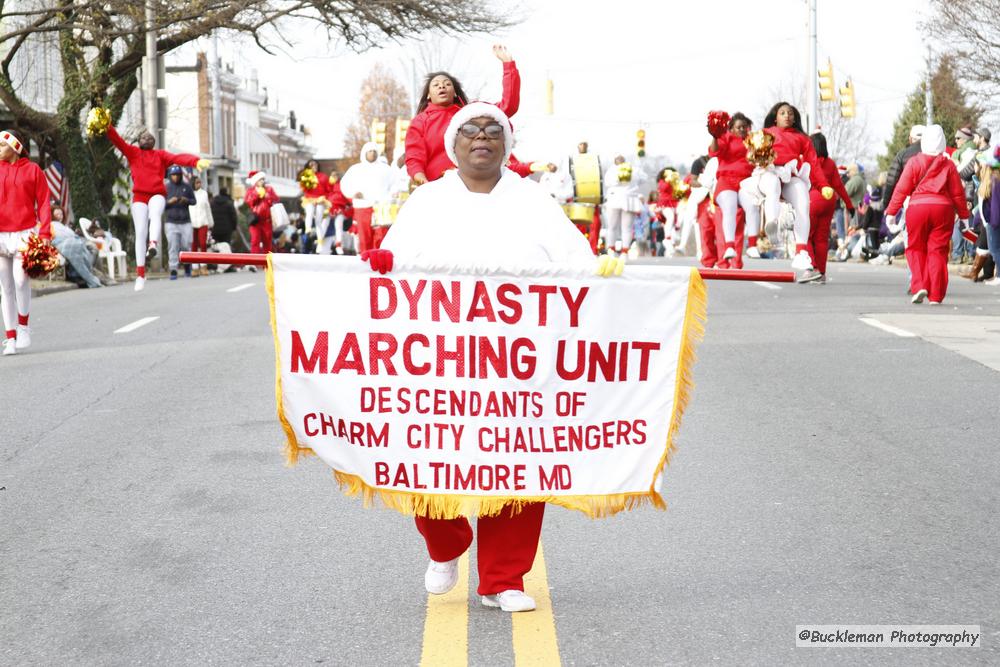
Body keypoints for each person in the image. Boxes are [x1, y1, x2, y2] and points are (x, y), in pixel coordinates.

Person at [371, 102, 607, 614]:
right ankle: (445, 543)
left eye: (492, 130)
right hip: (440, 356)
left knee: (518, 465)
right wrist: (383, 264)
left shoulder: (533, 200)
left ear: (507, 143)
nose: (482, 138)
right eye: (471, 131)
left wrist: (603, 271)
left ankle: (503, 578)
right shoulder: (427, 201)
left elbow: (576, 262)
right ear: (453, 145)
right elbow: (390, 269)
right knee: (423, 458)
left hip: (518, 360)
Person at [105, 123, 208, 291]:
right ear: (138, 141)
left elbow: (178, 158)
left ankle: (153, 244)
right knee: (140, 232)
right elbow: (117, 141)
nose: (147, 138)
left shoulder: (160, 155)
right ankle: (140, 274)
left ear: (154, 142)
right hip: (139, 195)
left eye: (150, 137)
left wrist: (196, 161)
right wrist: (107, 125)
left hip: (157, 194)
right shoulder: (133, 153)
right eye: (143, 137)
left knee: (155, 213)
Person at [740, 102, 832, 282]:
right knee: (773, 183)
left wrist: (823, 185)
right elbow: (747, 154)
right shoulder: (765, 134)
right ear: (776, 117)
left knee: (802, 197)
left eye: (790, 113)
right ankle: (771, 225)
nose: (787, 116)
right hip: (767, 174)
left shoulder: (802, 138)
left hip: (789, 174)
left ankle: (801, 251)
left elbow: (813, 164)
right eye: (783, 113)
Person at [405, 45, 519, 185]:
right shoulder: (420, 122)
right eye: (436, 85)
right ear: (428, 94)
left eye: (447, 84)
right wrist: (420, 177)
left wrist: (508, 65)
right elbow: (414, 155)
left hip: (472, 185)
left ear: (455, 92)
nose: (442, 86)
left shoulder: (469, 114)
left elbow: (508, 106)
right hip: (436, 186)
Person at [885, 124, 970, 305]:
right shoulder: (948, 164)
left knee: (915, 248)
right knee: (938, 251)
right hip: (943, 211)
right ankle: (936, 296)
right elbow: (957, 194)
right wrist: (964, 217)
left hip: (917, 209)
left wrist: (891, 212)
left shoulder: (915, 162)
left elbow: (901, 189)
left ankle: (919, 285)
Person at [0, 130, 51, 355]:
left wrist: (46, 233)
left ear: (16, 147)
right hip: (1, 234)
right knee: (5, 288)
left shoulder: (33, 170)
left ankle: (24, 327)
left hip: (25, 233)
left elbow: (45, 202)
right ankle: (10, 337)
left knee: (21, 281)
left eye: (2, 145)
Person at [806, 133, 855, 283]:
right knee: (821, 239)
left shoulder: (807, 162)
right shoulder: (831, 164)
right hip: (828, 201)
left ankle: (811, 268)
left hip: (812, 200)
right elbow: (839, 186)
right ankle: (821, 273)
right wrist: (849, 205)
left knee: (806, 236)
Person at [708, 111, 754, 266]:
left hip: (745, 182)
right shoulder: (726, 138)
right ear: (732, 129)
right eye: (739, 127)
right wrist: (714, 136)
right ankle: (729, 247)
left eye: (744, 127)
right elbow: (714, 151)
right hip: (727, 181)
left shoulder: (753, 141)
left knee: (753, 205)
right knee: (730, 207)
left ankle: (753, 244)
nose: (742, 130)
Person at [339, 142, 394, 254]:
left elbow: (394, 185)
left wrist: (389, 197)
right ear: (364, 153)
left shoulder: (386, 169)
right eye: (370, 151)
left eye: (374, 151)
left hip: (380, 208)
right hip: (362, 207)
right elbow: (345, 184)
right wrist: (353, 193)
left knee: (380, 236)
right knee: (364, 237)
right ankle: (366, 260)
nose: (372, 154)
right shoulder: (356, 169)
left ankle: (378, 260)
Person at [50, 206, 104, 289]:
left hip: (76, 242)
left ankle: (85, 273)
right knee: (77, 247)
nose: (59, 216)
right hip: (63, 244)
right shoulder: (51, 225)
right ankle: (82, 276)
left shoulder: (65, 226)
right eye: (57, 214)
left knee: (93, 248)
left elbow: (73, 235)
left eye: (61, 214)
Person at [604, 156, 646, 257]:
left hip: (617, 198)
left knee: (614, 227)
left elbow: (607, 183)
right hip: (627, 199)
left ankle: (615, 250)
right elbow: (643, 178)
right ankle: (622, 251)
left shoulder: (612, 170)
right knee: (623, 228)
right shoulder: (634, 170)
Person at [882, 125, 924, 214]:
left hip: (912, 202)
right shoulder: (937, 154)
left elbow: (891, 181)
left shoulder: (903, 154)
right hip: (938, 201)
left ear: (910, 138)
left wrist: (886, 204)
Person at [244, 170, 279, 255]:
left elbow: (276, 199)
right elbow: (248, 202)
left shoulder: (269, 189)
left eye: (263, 179)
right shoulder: (251, 191)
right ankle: (254, 262)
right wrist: (257, 194)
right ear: (255, 181)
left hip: (267, 221)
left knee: (267, 243)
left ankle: (267, 263)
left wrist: (268, 197)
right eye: (260, 180)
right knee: (255, 241)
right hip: (255, 221)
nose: (262, 181)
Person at [189, 176, 214, 276]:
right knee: (193, 245)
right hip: (191, 222)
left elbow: (207, 208)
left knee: (203, 244)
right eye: (197, 183)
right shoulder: (189, 193)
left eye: (200, 182)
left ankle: (204, 266)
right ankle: (195, 268)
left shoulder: (204, 193)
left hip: (203, 221)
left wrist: (210, 221)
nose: (199, 185)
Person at [298, 159, 330, 238]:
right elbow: (304, 189)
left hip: (320, 199)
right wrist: (306, 182)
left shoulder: (323, 176)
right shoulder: (306, 176)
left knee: (318, 220)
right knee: (310, 212)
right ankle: (308, 229)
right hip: (309, 198)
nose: (314, 166)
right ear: (308, 167)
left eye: (315, 164)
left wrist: (325, 198)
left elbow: (328, 189)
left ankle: (320, 238)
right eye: (311, 165)